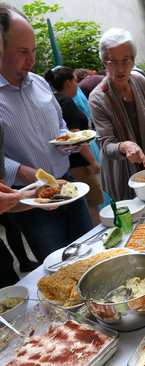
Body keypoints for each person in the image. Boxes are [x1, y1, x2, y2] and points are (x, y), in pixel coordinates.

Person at [0, 3, 93, 263]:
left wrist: (68, 142)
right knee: (58, 266)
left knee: (89, 254)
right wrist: (22, 171)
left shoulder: (40, 83)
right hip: (29, 199)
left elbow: (60, 125)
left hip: (67, 183)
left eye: (33, 51)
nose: (31, 59)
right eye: (22, 51)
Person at [89, 28, 145, 201]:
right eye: (113, 61)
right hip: (122, 174)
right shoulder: (98, 98)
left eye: (126, 60)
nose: (120, 68)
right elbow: (106, 145)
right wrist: (125, 146)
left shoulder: (141, 82)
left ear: (133, 61)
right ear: (104, 63)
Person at [43, 66, 104, 226]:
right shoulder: (67, 102)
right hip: (80, 164)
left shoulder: (52, 100)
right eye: (76, 81)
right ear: (69, 82)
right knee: (91, 206)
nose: (78, 85)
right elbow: (75, 137)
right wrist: (93, 161)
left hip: (66, 164)